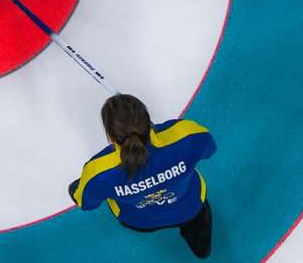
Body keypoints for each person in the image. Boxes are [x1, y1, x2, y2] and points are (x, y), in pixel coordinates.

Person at [68, 94, 216, 259]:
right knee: (199, 233)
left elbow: (86, 203)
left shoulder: (97, 172)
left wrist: (80, 188)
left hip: (139, 220)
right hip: (189, 207)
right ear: (149, 121)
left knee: (76, 187)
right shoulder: (185, 136)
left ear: (110, 136)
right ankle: (202, 251)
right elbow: (209, 147)